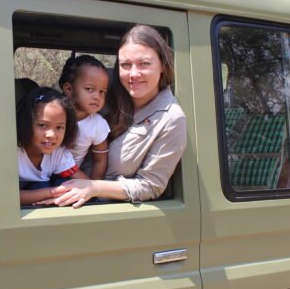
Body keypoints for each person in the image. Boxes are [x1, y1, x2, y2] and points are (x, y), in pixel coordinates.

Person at [44, 24, 186, 208]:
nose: (134, 74)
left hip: (104, 208)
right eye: (126, 65)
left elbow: (151, 186)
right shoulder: (104, 97)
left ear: (162, 66)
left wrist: (94, 188)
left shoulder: (171, 119)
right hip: (64, 190)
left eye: (144, 64)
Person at [17, 87, 87, 205]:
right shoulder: (13, 152)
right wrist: (53, 192)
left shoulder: (58, 152)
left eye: (59, 127)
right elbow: (6, 197)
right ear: (25, 123)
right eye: (42, 125)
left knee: (65, 183)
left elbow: (85, 183)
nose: (52, 135)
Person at [58, 55, 110, 180]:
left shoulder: (98, 124)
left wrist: (95, 190)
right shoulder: (54, 114)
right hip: (41, 174)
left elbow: (100, 160)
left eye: (102, 91)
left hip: (70, 177)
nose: (97, 96)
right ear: (69, 89)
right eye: (90, 89)